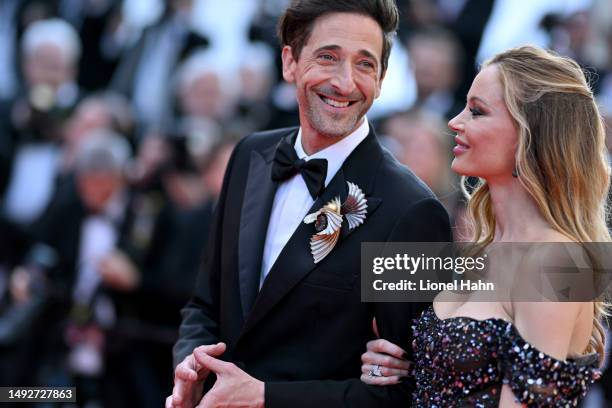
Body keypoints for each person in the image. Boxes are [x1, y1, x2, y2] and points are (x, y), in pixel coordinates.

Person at [166, 1, 451, 407]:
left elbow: (409, 393)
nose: (345, 82)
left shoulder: (412, 210)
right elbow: (205, 304)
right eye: (328, 57)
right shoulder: (251, 155)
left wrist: (265, 397)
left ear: (382, 78)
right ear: (289, 62)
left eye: (365, 64)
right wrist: (190, 364)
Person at [360, 45, 608, 406]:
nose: (454, 122)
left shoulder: (561, 260)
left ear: (530, 134)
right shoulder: (477, 250)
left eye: (477, 111)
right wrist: (396, 371)